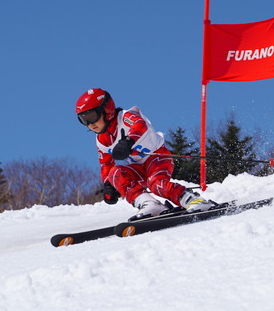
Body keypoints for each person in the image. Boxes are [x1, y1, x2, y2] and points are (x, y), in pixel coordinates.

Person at [75, 88, 214, 219]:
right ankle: (150, 205)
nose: (89, 124)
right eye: (83, 120)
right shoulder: (102, 139)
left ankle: (194, 200)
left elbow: (139, 124)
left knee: (156, 184)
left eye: (92, 117)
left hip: (158, 158)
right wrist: (108, 186)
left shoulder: (124, 117)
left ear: (106, 110)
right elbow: (106, 164)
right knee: (115, 173)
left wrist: (128, 142)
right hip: (138, 167)